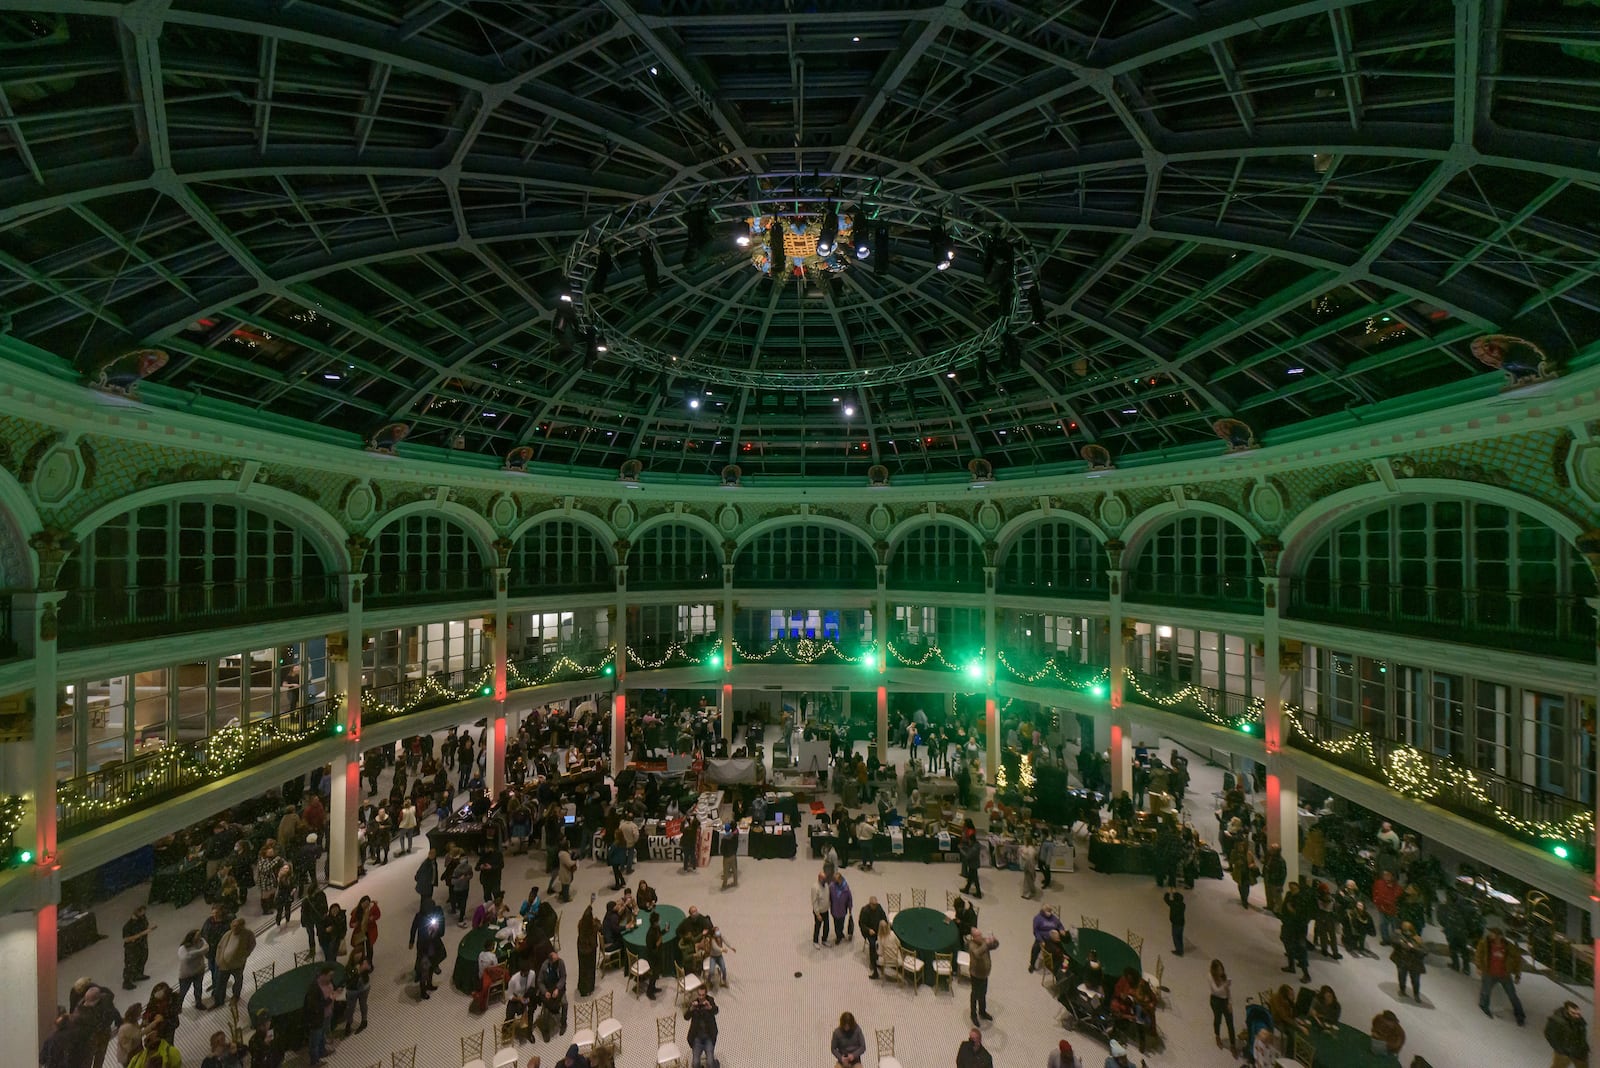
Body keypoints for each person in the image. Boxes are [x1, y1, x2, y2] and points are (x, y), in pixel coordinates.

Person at [1475, 926, 1526, 1025]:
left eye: (1492, 934)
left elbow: (1518, 960)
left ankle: (1520, 1015)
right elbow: (1478, 954)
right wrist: (1479, 967)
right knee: (1485, 992)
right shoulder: (1485, 943)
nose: (1490, 935)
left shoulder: (1508, 946)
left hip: (1504, 975)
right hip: (1489, 974)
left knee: (1512, 995)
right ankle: (1484, 1009)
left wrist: (1517, 975)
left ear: (1498, 936)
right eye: (1490, 933)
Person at [409, 898, 445, 1000]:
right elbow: (413, 929)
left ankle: (429, 984)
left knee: (432, 966)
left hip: (433, 945)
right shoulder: (419, 916)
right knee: (424, 969)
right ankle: (423, 991)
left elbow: (441, 932)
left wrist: (436, 929)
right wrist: (411, 941)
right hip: (423, 947)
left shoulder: (435, 915)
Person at [215, 916, 256, 1005]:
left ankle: (235, 996)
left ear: (242, 926)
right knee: (220, 983)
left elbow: (252, 944)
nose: (234, 928)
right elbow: (220, 946)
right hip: (224, 964)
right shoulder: (228, 934)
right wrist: (218, 960)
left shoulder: (247, 934)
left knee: (238, 981)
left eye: (236, 926)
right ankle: (219, 1001)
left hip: (238, 965)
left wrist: (245, 955)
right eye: (233, 926)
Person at [301, 966, 333, 1067]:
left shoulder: (324, 984)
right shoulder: (314, 988)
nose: (331, 978)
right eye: (330, 976)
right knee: (315, 1042)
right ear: (323, 975)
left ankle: (322, 1051)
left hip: (323, 1016)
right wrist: (329, 1000)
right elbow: (316, 1005)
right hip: (316, 1020)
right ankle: (314, 1062)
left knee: (322, 1036)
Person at [967, 928, 998, 1028]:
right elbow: (978, 953)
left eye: (981, 935)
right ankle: (973, 1014)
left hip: (984, 974)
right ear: (973, 937)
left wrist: (994, 941)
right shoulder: (972, 945)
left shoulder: (983, 941)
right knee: (975, 994)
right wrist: (986, 944)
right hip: (976, 974)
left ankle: (982, 1012)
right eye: (978, 936)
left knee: (983, 993)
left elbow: (995, 946)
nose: (981, 937)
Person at [1546, 1000, 1590, 1068]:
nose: (1577, 1016)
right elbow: (1549, 1035)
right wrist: (1561, 1050)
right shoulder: (1557, 1021)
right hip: (1565, 1053)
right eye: (1573, 1013)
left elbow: (1582, 1034)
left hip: (1580, 1051)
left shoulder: (1579, 1019)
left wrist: (1584, 1047)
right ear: (1566, 1011)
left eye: (1578, 1013)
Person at [1390, 920, 1426, 1001]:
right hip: (1402, 961)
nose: (1407, 933)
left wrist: (1413, 948)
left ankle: (1416, 994)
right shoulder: (1398, 935)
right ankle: (1402, 990)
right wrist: (1402, 944)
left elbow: (1424, 952)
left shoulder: (1417, 939)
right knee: (1402, 977)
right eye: (1405, 931)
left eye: (1409, 931)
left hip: (1414, 963)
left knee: (1415, 980)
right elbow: (1393, 941)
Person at [120, 906, 154, 992]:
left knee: (143, 959)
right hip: (132, 948)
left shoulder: (142, 919)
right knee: (130, 964)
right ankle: (127, 982)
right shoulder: (128, 926)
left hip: (142, 944)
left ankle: (138, 975)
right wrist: (142, 933)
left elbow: (145, 925)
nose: (143, 915)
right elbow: (126, 939)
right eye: (141, 913)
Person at [684, 988, 718, 1068]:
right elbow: (686, 1017)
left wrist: (710, 1008)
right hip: (697, 1038)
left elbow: (716, 1010)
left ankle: (715, 1064)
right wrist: (691, 1009)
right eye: (699, 995)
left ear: (706, 994)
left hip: (708, 1037)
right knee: (695, 1063)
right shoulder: (694, 1003)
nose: (701, 997)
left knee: (710, 1062)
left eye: (703, 995)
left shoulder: (710, 1000)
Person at [176, 930, 210, 1010]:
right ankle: (178, 1006)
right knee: (183, 992)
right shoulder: (183, 947)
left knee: (198, 989)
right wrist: (199, 952)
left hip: (199, 971)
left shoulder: (201, 941)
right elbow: (185, 957)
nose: (200, 937)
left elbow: (207, 949)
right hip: (186, 974)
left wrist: (193, 953)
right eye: (197, 935)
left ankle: (198, 1003)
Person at [1208, 959, 1236, 1053]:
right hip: (1215, 1000)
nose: (1221, 972)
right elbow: (1216, 991)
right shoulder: (1210, 976)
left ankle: (1233, 1044)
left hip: (1225, 1000)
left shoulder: (1224, 977)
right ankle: (1217, 1036)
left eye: (1222, 969)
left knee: (1230, 1023)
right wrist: (1225, 985)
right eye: (1219, 970)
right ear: (1214, 971)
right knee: (1218, 1019)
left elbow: (1228, 992)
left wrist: (1230, 1003)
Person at [1030, 904, 1066, 972]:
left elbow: (1059, 925)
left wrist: (1061, 929)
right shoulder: (1037, 918)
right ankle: (1032, 964)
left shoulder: (1053, 918)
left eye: (1050, 911)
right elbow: (1036, 931)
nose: (1049, 913)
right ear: (1043, 911)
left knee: (1062, 946)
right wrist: (1040, 940)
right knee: (1035, 949)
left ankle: (1062, 961)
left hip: (1054, 936)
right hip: (1042, 937)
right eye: (1048, 911)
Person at [1371, 869, 1402, 946]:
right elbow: (1375, 894)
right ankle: (1386, 940)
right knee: (1383, 925)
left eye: (1388, 874)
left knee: (1394, 927)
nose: (1386, 876)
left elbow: (1398, 899)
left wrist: (1391, 903)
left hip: (1393, 910)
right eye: (1384, 874)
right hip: (1382, 909)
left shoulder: (1398, 888)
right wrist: (1378, 902)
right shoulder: (1379, 883)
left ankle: (1396, 942)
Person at [859, 896, 887, 978]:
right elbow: (861, 924)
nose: (875, 906)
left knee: (886, 940)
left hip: (879, 930)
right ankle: (873, 963)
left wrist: (884, 925)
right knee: (872, 945)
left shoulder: (879, 907)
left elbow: (884, 917)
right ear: (870, 904)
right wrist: (868, 930)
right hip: (870, 932)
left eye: (876, 904)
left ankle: (884, 958)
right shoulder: (864, 910)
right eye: (873, 904)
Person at [576, 903, 599, 998]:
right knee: (590, 970)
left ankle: (582, 987)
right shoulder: (592, 927)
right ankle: (589, 988)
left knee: (582, 969)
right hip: (589, 951)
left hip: (581, 950)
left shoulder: (581, 924)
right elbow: (598, 927)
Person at [114, 1002, 144, 1068]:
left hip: (131, 1052)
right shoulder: (128, 1026)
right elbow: (138, 1034)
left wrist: (142, 1025)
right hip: (129, 1054)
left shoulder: (130, 1023)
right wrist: (154, 1023)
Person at [830, 871, 854, 943]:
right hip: (834, 909)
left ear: (840, 879)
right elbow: (829, 896)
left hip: (842, 910)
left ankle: (840, 933)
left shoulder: (845, 887)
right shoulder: (831, 886)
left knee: (841, 923)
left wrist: (850, 908)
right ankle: (838, 936)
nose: (834, 881)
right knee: (836, 924)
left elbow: (849, 898)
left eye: (836, 880)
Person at [644, 911, 664, 1000]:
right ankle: (649, 992)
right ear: (655, 921)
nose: (660, 921)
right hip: (653, 957)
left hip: (658, 954)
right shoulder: (650, 934)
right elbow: (651, 948)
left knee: (656, 974)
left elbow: (660, 935)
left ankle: (653, 988)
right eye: (659, 920)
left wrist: (665, 931)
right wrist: (657, 944)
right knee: (654, 975)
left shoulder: (657, 928)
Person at [959, 830, 983, 898]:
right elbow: (970, 849)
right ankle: (967, 889)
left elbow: (968, 856)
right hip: (973, 864)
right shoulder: (976, 845)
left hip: (973, 865)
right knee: (970, 878)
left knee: (975, 880)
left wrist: (961, 850)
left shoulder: (974, 848)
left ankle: (978, 893)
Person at [1163, 889, 1185, 956]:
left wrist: (1168, 893)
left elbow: (1166, 899)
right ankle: (1181, 949)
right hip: (1181, 923)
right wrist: (1175, 893)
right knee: (1180, 936)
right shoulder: (1183, 905)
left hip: (1175, 923)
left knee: (1175, 937)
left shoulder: (1173, 904)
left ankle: (1179, 951)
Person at [812, 871, 831, 946]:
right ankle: (815, 941)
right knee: (817, 927)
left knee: (827, 927)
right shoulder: (815, 887)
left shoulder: (826, 885)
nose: (825, 880)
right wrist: (817, 914)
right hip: (819, 912)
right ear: (819, 878)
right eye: (823, 879)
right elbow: (814, 902)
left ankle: (824, 939)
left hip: (826, 910)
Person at [720, 823, 739, 888]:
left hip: (726, 857)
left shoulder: (724, 839)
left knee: (726, 871)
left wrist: (723, 854)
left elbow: (722, 849)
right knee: (734, 869)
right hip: (733, 855)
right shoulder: (733, 836)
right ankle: (735, 882)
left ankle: (724, 885)